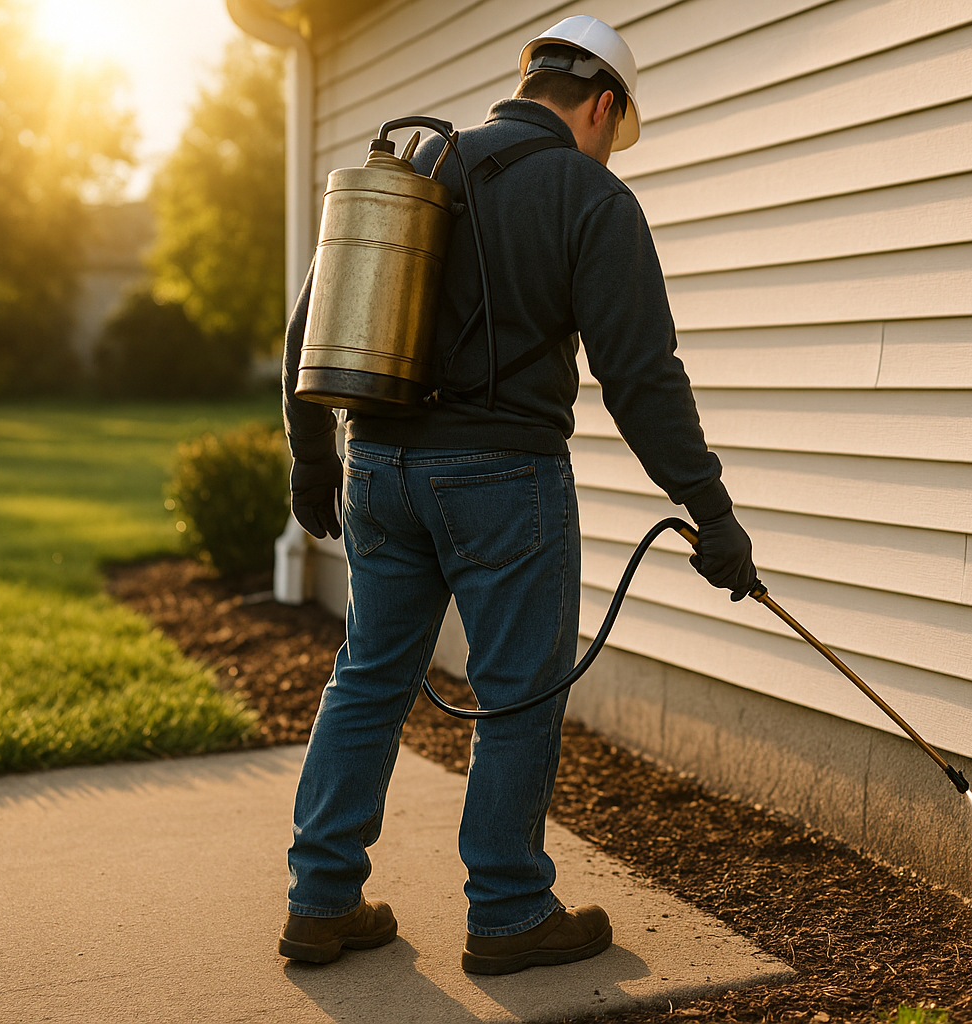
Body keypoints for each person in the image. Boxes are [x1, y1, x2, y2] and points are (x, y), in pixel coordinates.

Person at [277, 15, 759, 975]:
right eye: (612, 130)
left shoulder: (416, 167)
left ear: (527, 81)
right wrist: (710, 511)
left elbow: (310, 324)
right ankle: (506, 912)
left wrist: (309, 456)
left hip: (375, 465)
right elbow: (643, 377)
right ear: (605, 105)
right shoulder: (591, 197)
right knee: (518, 694)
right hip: (504, 479)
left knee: (369, 677)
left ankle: (321, 902)